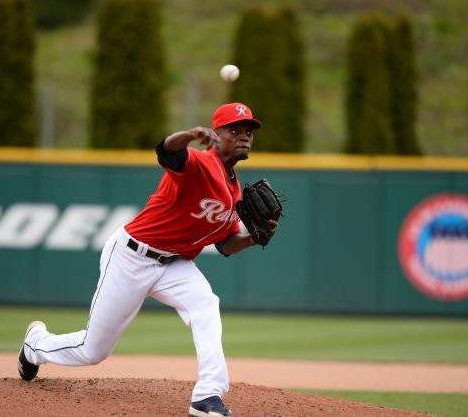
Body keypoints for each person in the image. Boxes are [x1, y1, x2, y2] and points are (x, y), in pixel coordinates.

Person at [18, 102, 278, 417]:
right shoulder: (197, 162)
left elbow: (224, 245)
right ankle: (36, 345)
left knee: (206, 304)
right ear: (217, 133)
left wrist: (254, 238)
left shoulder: (235, 193)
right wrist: (188, 135)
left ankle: (208, 395)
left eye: (248, 132)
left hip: (175, 264)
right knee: (93, 350)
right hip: (132, 256)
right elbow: (166, 152)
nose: (244, 137)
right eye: (235, 130)